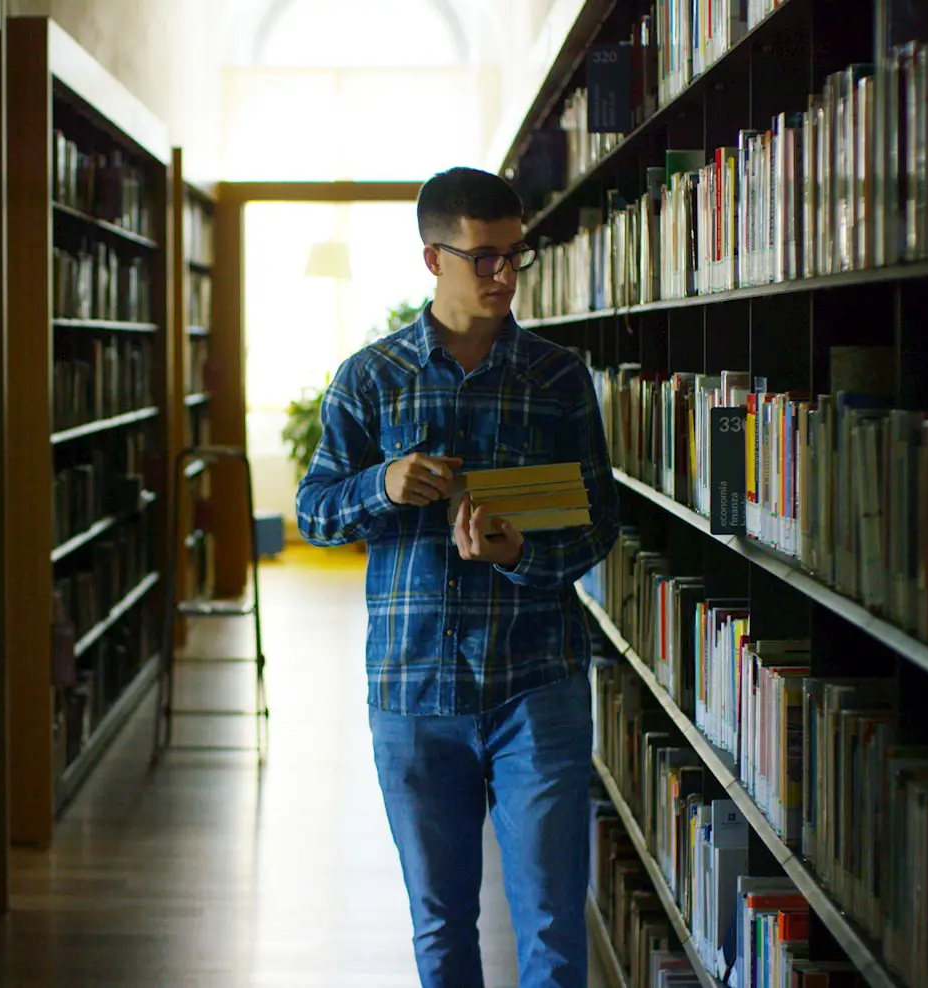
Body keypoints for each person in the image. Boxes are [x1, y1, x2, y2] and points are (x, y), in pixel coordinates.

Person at [295, 166, 622, 988]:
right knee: (440, 926)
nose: (505, 275)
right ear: (432, 259)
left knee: (553, 921)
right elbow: (314, 512)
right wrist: (382, 484)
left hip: (535, 681)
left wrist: (520, 556)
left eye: (516, 254)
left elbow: (600, 524)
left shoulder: (558, 379)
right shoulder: (368, 379)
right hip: (412, 688)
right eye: (484, 258)